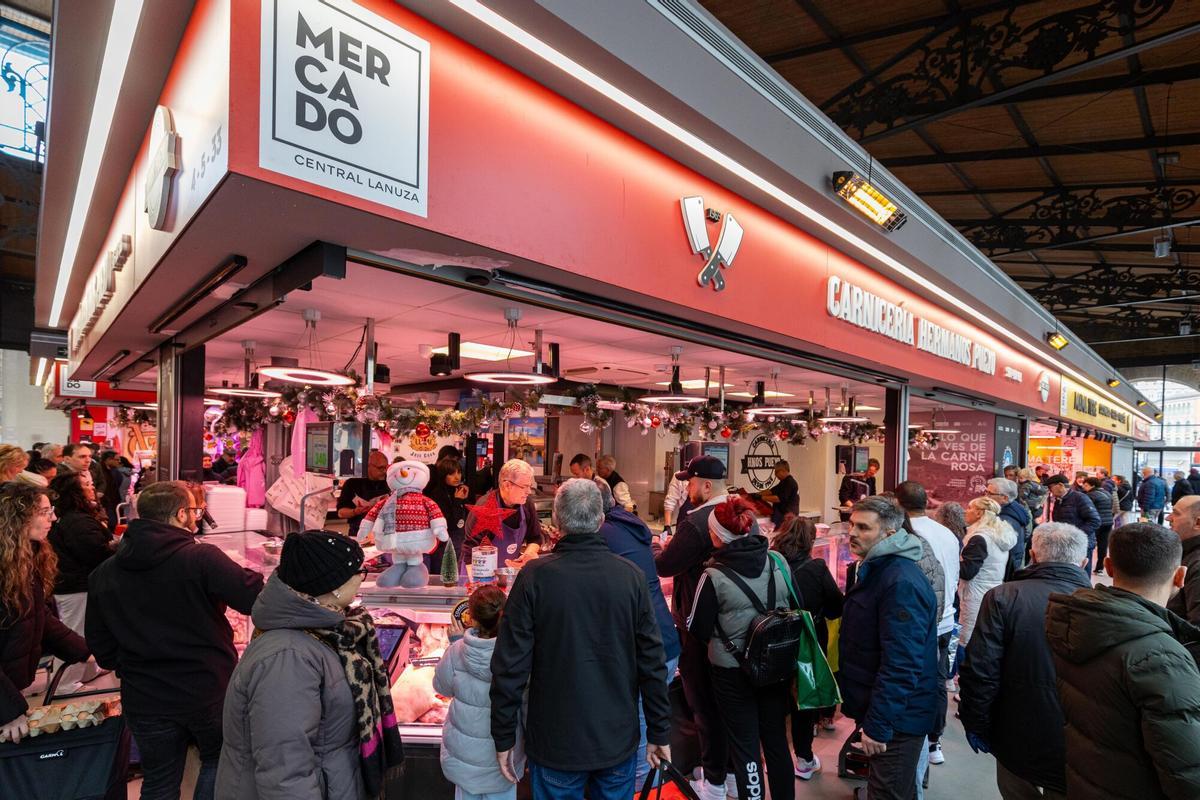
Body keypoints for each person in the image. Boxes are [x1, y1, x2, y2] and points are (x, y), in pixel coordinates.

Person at [491, 479, 670, 800]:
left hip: (555, 741)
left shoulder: (534, 577)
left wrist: (503, 736)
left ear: (556, 522)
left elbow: (509, 665)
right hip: (615, 738)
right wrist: (659, 730)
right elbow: (652, 661)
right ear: (601, 521)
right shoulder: (630, 576)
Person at [86, 481, 264, 800]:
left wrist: (134, 663)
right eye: (196, 511)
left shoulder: (104, 573)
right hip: (205, 688)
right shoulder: (201, 558)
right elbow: (253, 598)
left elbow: (101, 647)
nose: (198, 518)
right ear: (182, 514)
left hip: (144, 696)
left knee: (158, 779)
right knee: (217, 761)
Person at [217, 532, 403, 799]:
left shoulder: (327, 631)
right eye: (360, 571)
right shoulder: (287, 657)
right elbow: (284, 769)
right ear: (333, 585)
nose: (363, 578)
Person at [1046, 523, 1200, 799]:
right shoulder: (1162, 656)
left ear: (1108, 566)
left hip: (1085, 777)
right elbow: (1187, 769)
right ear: (1180, 576)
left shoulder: (1073, 620)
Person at [959, 523, 1090, 800]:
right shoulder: (1100, 604)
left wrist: (977, 723)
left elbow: (980, 670)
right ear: (1084, 561)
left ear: (1033, 554)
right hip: (1078, 740)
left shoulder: (1004, 597)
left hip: (1014, 731)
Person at [687, 496, 796, 800]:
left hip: (732, 673)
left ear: (715, 537)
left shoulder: (712, 576)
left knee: (745, 745)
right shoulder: (778, 561)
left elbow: (697, 629)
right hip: (777, 666)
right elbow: (796, 603)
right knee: (775, 741)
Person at [839, 496, 939, 800]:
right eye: (852, 525)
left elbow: (902, 663)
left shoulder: (899, 582)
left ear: (890, 535)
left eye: (864, 527)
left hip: (898, 720)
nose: (852, 533)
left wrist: (879, 724)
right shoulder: (877, 571)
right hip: (887, 712)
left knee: (888, 792)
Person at [652, 455, 729, 800]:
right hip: (732, 629)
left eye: (692, 482)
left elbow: (665, 566)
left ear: (707, 485)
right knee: (727, 703)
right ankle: (728, 772)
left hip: (697, 626)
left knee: (703, 702)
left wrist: (656, 548)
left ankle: (713, 780)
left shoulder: (697, 521)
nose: (688, 487)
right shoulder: (742, 514)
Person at [594, 478, 680, 787]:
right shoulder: (628, 524)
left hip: (646, 648)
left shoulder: (602, 535)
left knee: (644, 747)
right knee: (643, 737)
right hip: (662, 642)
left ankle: (641, 792)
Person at [0, 482, 90, 744]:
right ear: (17, 516)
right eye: (45, 511)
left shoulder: (26, 556)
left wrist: (85, 651)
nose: (53, 517)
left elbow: (38, 617)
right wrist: (8, 711)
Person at [771, 514, 843, 780]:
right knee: (804, 699)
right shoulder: (817, 568)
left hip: (773, 643)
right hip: (806, 643)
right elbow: (837, 606)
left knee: (774, 702)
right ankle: (803, 759)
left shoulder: (769, 563)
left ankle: (773, 757)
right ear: (811, 540)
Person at [436, 584, 522, 800]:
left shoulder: (456, 651)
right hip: (502, 759)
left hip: (465, 760)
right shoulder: (517, 654)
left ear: (471, 618)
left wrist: (455, 642)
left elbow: (441, 688)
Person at [896, 481, 960, 768]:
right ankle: (934, 742)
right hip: (946, 619)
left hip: (921, 623)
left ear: (899, 505)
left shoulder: (906, 535)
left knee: (912, 679)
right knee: (937, 681)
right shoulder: (946, 533)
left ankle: (912, 741)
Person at [47, 472, 114, 636]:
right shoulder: (77, 521)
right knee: (78, 637)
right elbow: (96, 554)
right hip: (78, 588)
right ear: (74, 492)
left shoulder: (72, 516)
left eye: (91, 483)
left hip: (74, 585)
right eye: (86, 485)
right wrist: (117, 546)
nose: (92, 488)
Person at [958, 498, 1017, 676]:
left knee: (967, 635)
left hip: (975, 593)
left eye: (969, 507)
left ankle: (965, 679)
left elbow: (968, 571)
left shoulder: (979, 538)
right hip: (995, 589)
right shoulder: (999, 535)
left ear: (979, 513)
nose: (965, 511)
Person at [463, 459, 544, 569]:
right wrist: (479, 583)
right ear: (507, 485)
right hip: (479, 572)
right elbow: (470, 552)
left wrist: (527, 555)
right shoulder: (486, 508)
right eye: (524, 487)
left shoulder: (526, 504)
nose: (528, 491)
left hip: (508, 572)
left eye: (530, 486)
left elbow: (535, 538)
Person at [425, 456, 472, 573]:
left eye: (459, 472)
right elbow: (450, 523)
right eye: (451, 474)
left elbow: (465, 520)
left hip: (459, 543)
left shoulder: (459, 491)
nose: (457, 477)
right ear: (443, 475)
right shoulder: (437, 494)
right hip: (443, 546)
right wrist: (457, 501)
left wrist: (463, 500)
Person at [1046, 475, 1101, 572]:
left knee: (1081, 574)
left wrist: (1076, 535)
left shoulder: (1080, 498)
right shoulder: (1059, 501)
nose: (1050, 491)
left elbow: (1095, 521)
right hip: (1066, 543)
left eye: (1050, 487)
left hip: (1081, 544)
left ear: (1060, 485)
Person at [336, 449, 390, 539]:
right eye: (381, 468)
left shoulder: (391, 482)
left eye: (386, 468)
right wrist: (355, 511)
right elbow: (341, 513)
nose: (384, 471)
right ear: (368, 466)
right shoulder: (352, 483)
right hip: (358, 532)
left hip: (385, 532)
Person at [1167, 494, 1200, 624]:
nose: (1168, 518)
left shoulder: (1196, 563)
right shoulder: (1186, 552)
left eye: (1176, 513)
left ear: (1197, 523)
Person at [987, 478, 1029, 576]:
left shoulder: (1005, 520)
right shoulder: (1014, 510)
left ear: (1005, 498)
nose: (986, 496)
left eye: (990, 493)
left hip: (1004, 572)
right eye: (986, 492)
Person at [1084, 476, 1115, 576]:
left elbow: (1088, 510)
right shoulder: (1107, 493)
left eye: (1086, 485)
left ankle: (1086, 565)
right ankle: (1100, 568)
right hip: (1108, 522)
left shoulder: (1090, 495)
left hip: (1097, 522)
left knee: (1090, 544)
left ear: (1092, 485)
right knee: (1103, 546)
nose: (1084, 487)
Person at [758, 460, 799, 526]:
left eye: (777, 472)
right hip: (782, 516)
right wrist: (757, 494)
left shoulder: (790, 483)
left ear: (783, 470)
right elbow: (771, 491)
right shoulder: (783, 482)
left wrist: (761, 498)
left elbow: (779, 499)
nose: (775, 474)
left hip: (787, 517)